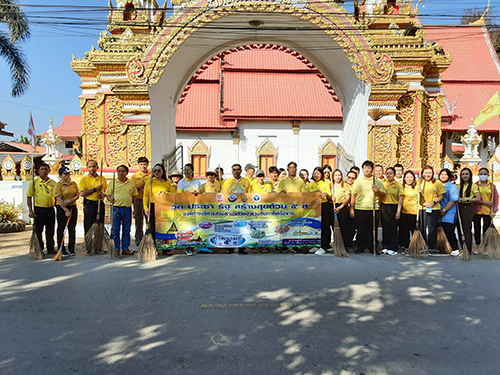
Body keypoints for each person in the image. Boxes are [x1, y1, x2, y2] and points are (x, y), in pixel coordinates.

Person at [349, 160, 386, 254]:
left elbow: (383, 194)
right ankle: (360, 247)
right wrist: (352, 209)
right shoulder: (358, 181)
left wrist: (377, 190)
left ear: (372, 170)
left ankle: (372, 247)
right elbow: (353, 195)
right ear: (362, 169)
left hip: (373, 209)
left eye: (369, 168)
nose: (366, 170)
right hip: (360, 208)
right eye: (365, 168)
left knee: (372, 230)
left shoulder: (377, 181)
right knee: (361, 229)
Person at [105, 165, 138, 256]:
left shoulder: (131, 183)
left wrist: (135, 209)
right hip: (116, 208)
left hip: (127, 209)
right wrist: (110, 199)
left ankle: (125, 248)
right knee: (115, 229)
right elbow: (107, 194)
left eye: (123, 171)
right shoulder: (113, 183)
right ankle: (116, 248)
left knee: (126, 229)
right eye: (119, 171)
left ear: (127, 172)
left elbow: (134, 196)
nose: (121, 173)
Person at [27, 163, 57, 256]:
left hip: (50, 209)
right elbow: (29, 197)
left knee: (50, 230)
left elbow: (56, 196)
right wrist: (30, 211)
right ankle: (39, 248)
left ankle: (50, 248)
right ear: (38, 171)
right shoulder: (34, 182)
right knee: (38, 230)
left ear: (49, 171)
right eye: (42, 169)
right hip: (39, 209)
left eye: (46, 169)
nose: (44, 171)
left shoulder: (53, 183)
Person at [144, 163, 174, 251]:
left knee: (164, 226)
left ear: (162, 172)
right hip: (152, 205)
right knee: (152, 227)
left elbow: (172, 194)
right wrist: (145, 208)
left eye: (159, 170)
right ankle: (153, 248)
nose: (157, 172)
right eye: (155, 170)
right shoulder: (149, 182)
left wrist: (166, 194)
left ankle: (165, 248)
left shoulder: (167, 182)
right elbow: (145, 196)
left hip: (164, 206)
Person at [222, 164, 251, 254]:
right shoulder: (227, 182)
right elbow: (224, 195)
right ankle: (230, 248)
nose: (236, 171)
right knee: (232, 228)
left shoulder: (246, 182)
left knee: (242, 228)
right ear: (231, 171)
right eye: (234, 169)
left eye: (238, 169)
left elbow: (250, 195)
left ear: (241, 171)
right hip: (232, 210)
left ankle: (242, 248)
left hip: (243, 209)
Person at [419, 165, 445, 254]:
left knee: (432, 229)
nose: (427, 175)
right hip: (422, 208)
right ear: (422, 173)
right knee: (421, 227)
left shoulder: (437, 183)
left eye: (429, 173)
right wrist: (423, 202)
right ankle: (423, 245)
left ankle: (431, 247)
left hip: (434, 208)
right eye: (426, 173)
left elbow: (441, 195)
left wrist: (433, 202)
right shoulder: (419, 183)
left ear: (433, 173)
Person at [53, 166, 79, 257]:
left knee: (72, 229)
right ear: (60, 175)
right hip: (62, 208)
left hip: (72, 206)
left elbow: (77, 195)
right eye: (65, 174)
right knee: (61, 229)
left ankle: (72, 249)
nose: (67, 175)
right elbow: (60, 201)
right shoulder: (58, 186)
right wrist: (66, 210)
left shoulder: (73, 184)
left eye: (68, 173)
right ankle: (62, 249)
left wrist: (69, 202)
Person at [79, 159, 108, 236]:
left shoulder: (102, 178)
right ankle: (89, 245)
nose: (92, 168)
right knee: (88, 225)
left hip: (99, 204)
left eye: (94, 166)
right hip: (89, 204)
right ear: (87, 168)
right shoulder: (84, 179)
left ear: (97, 167)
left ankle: (98, 244)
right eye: (90, 167)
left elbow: (106, 193)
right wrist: (95, 189)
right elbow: (82, 193)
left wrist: (102, 195)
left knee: (100, 225)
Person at [307, 167, 332, 254]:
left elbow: (329, 196)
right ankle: (315, 245)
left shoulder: (325, 184)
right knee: (314, 226)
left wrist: (324, 194)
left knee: (324, 226)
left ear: (321, 174)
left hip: (324, 206)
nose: (316, 175)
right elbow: (306, 196)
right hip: (313, 207)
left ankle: (323, 246)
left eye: (318, 173)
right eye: (314, 173)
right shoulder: (309, 185)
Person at [457, 167, 481, 255]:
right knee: (459, 228)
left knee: (466, 229)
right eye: (463, 174)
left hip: (467, 208)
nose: (465, 176)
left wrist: (467, 200)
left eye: (467, 174)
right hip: (459, 208)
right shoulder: (459, 185)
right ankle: (462, 247)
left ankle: (468, 249)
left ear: (470, 175)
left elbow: (478, 198)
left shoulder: (473, 186)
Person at [473, 167, 499, 248]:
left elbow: (496, 198)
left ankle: (485, 247)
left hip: (488, 211)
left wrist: (494, 211)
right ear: (478, 175)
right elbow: (473, 198)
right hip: (477, 211)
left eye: (485, 174)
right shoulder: (475, 185)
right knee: (477, 229)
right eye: (481, 174)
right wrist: (483, 202)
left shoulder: (492, 186)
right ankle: (477, 246)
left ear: (488, 175)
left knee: (486, 229)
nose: (483, 175)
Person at [381, 167, 402, 255]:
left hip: (394, 206)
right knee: (385, 227)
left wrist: (398, 211)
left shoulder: (398, 185)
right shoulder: (382, 183)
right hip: (384, 206)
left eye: (391, 173)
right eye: (387, 173)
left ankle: (393, 247)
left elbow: (400, 199)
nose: (389, 175)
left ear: (394, 174)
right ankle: (386, 246)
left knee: (393, 228)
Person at [439, 169, 459, 256]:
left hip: (448, 212)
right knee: (438, 231)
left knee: (449, 230)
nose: (443, 176)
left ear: (449, 176)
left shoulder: (452, 187)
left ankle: (454, 248)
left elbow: (452, 201)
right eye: (441, 174)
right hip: (437, 211)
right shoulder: (436, 185)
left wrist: (444, 210)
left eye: (445, 174)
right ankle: (441, 248)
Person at [132, 157, 150, 250]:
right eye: (141, 164)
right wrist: (139, 187)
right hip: (139, 201)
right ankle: (138, 242)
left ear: (147, 165)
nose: (143, 166)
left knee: (149, 222)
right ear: (138, 165)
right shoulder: (135, 176)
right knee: (138, 222)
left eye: (145, 164)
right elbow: (131, 189)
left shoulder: (151, 176)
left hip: (148, 202)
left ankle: (148, 242)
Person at [332, 169, 353, 249]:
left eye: (339, 175)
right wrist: (331, 198)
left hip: (342, 207)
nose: (337, 177)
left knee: (344, 227)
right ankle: (337, 244)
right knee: (334, 227)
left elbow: (347, 197)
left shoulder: (344, 185)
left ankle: (345, 245)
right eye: (336, 175)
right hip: (333, 206)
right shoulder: (331, 185)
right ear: (333, 176)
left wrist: (341, 207)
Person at [399, 170, 419, 251]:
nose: (409, 179)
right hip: (404, 210)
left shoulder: (417, 187)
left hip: (414, 211)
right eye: (407, 177)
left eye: (411, 177)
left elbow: (420, 199)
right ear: (404, 178)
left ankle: (415, 244)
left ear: (414, 178)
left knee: (413, 229)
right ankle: (405, 245)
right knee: (404, 230)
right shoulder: (401, 187)